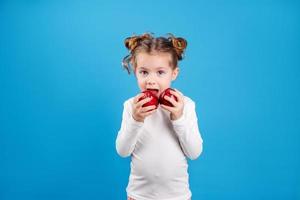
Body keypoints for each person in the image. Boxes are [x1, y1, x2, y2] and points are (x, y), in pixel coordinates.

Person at [116, 33, 203, 200]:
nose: (151, 80)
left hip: (177, 196)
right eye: (144, 72)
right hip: (138, 196)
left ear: (174, 73)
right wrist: (136, 119)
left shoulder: (186, 105)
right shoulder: (131, 106)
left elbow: (194, 152)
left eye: (160, 72)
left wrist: (178, 117)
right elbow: (123, 151)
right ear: (136, 72)